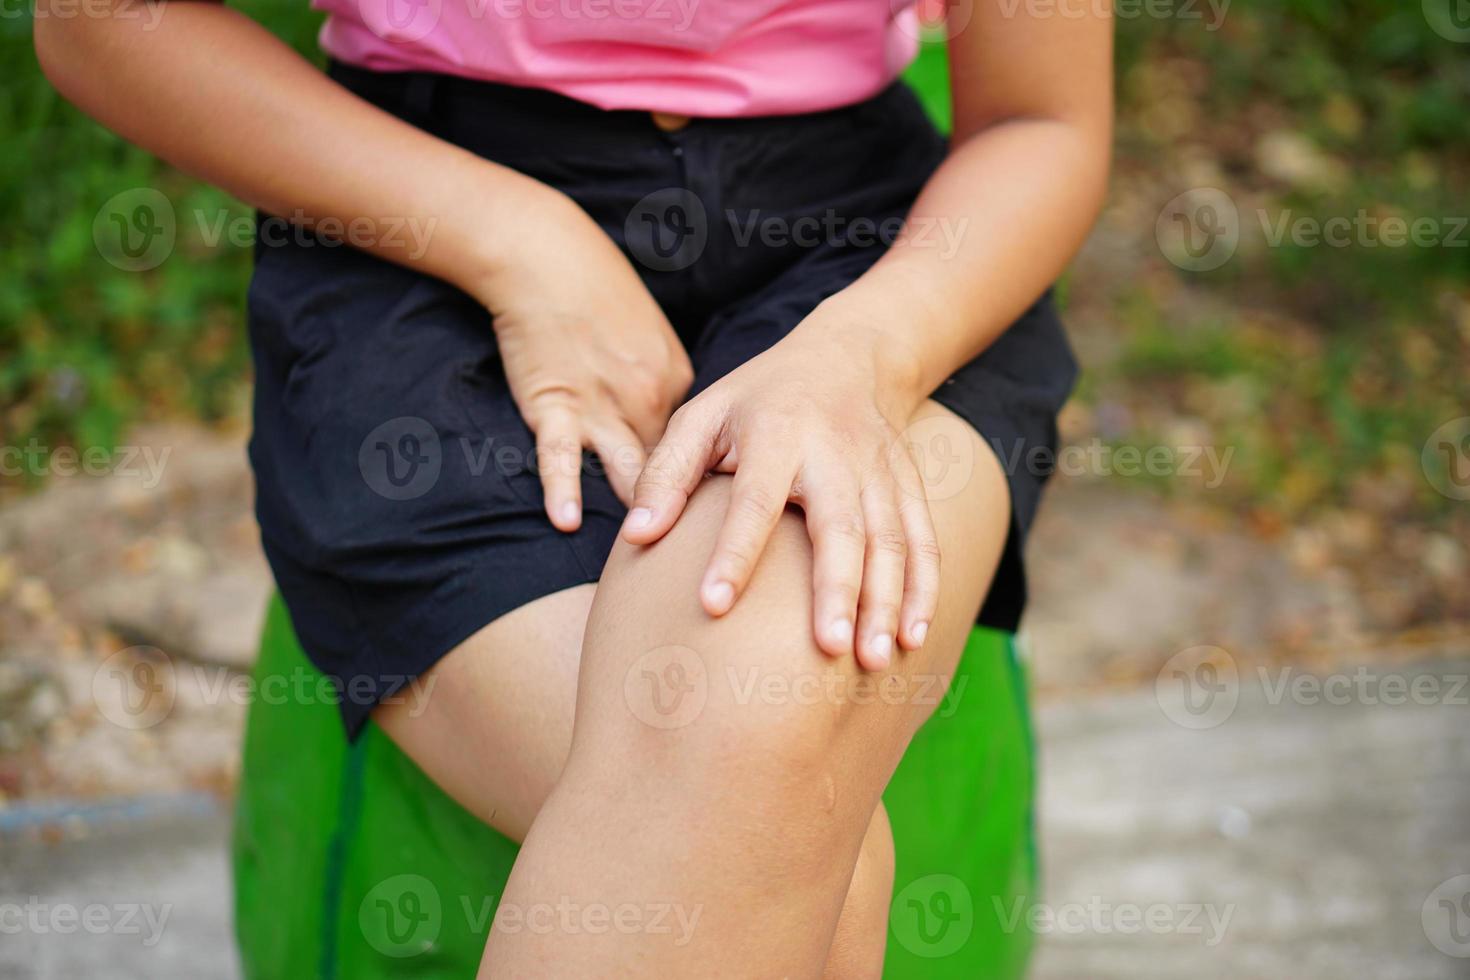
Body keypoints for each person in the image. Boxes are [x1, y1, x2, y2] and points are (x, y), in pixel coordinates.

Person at [36, 0, 1111, 973]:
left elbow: (1041, 120)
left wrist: (864, 356)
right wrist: (519, 243)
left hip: (878, 264)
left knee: (755, 762)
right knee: (764, 818)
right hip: (418, 219)